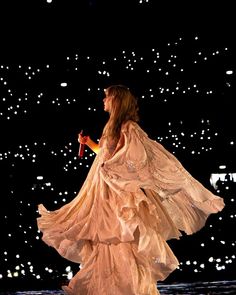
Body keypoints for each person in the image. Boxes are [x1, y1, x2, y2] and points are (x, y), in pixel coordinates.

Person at [37, 84, 225, 295]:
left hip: (117, 191)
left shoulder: (129, 127)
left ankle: (129, 288)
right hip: (102, 191)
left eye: (107, 97)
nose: (104, 101)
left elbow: (133, 157)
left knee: (121, 237)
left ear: (116, 100)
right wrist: (89, 143)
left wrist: (112, 169)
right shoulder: (111, 127)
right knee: (105, 239)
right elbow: (105, 154)